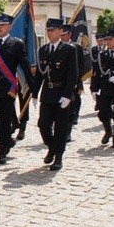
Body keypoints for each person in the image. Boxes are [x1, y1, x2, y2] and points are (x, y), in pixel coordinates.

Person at [0, 13, 33, 164]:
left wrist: (33, 86)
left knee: (5, 120)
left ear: (9, 27)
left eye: (2, 25)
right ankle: (6, 140)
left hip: (7, 87)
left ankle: (2, 151)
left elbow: (24, 65)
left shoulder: (16, 44)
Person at [32, 18, 78, 171]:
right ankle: (52, 147)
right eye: (48, 30)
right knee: (43, 125)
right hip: (48, 93)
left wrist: (67, 94)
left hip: (62, 93)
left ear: (60, 31)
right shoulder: (43, 50)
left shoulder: (69, 50)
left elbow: (73, 74)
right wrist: (34, 93)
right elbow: (39, 74)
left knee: (60, 127)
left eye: (52, 30)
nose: (49, 33)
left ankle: (58, 156)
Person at [60, 24, 85, 142]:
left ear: (70, 34)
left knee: (71, 107)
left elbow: (80, 65)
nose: (62, 37)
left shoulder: (76, 47)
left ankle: (67, 132)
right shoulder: (57, 47)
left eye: (64, 35)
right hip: (60, 83)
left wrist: (75, 80)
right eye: (61, 35)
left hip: (73, 81)